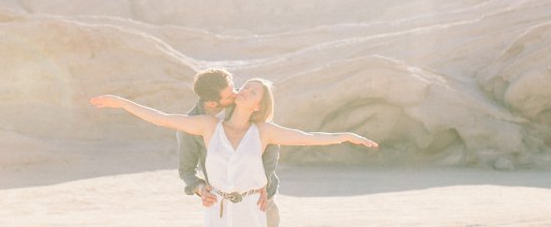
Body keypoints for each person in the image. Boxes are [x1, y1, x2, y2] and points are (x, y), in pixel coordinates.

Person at [90, 78, 378, 227]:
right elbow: (162, 118)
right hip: (217, 208)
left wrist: (347, 136)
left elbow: (309, 138)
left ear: (257, 106)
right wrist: (121, 102)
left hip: (254, 210)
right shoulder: (207, 125)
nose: (244, 91)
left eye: (253, 92)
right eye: (245, 87)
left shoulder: (264, 131)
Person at [177, 69, 281, 226]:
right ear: (212, 103)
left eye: (233, 87)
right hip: (224, 201)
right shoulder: (190, 126)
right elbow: (186, 169)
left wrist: (263, 185)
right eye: (230, 94)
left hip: (261, 197)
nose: (236, 93)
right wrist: (200, 188)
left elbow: (271, 143)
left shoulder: (242, 100)